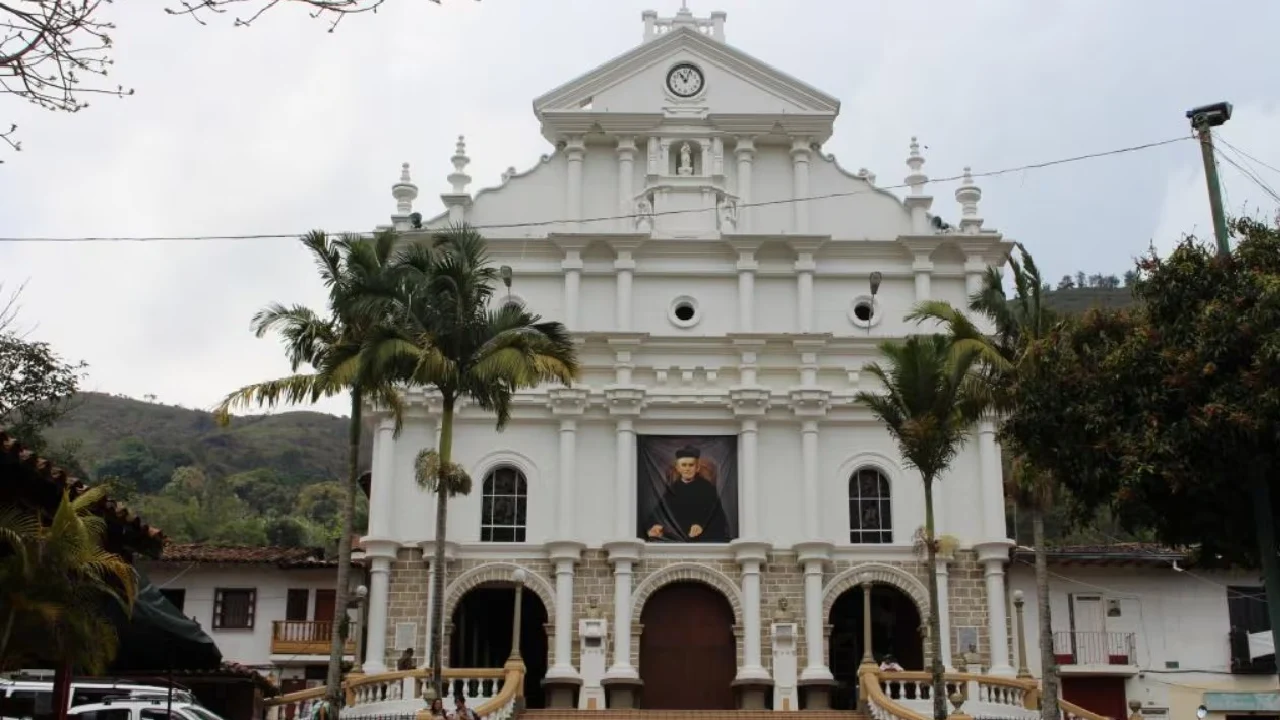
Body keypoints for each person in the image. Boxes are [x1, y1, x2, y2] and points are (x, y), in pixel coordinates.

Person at [645, 445, 731, 542]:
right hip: (677, 539)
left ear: (697, 468)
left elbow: (718, 518)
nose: (687, 469)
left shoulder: (707, 489)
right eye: (684, 465)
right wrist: (655, 525)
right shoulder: (673, 489)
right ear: (678, 468)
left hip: (702, 539)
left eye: (691, 465)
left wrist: (701, 526)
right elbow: (659, 512)